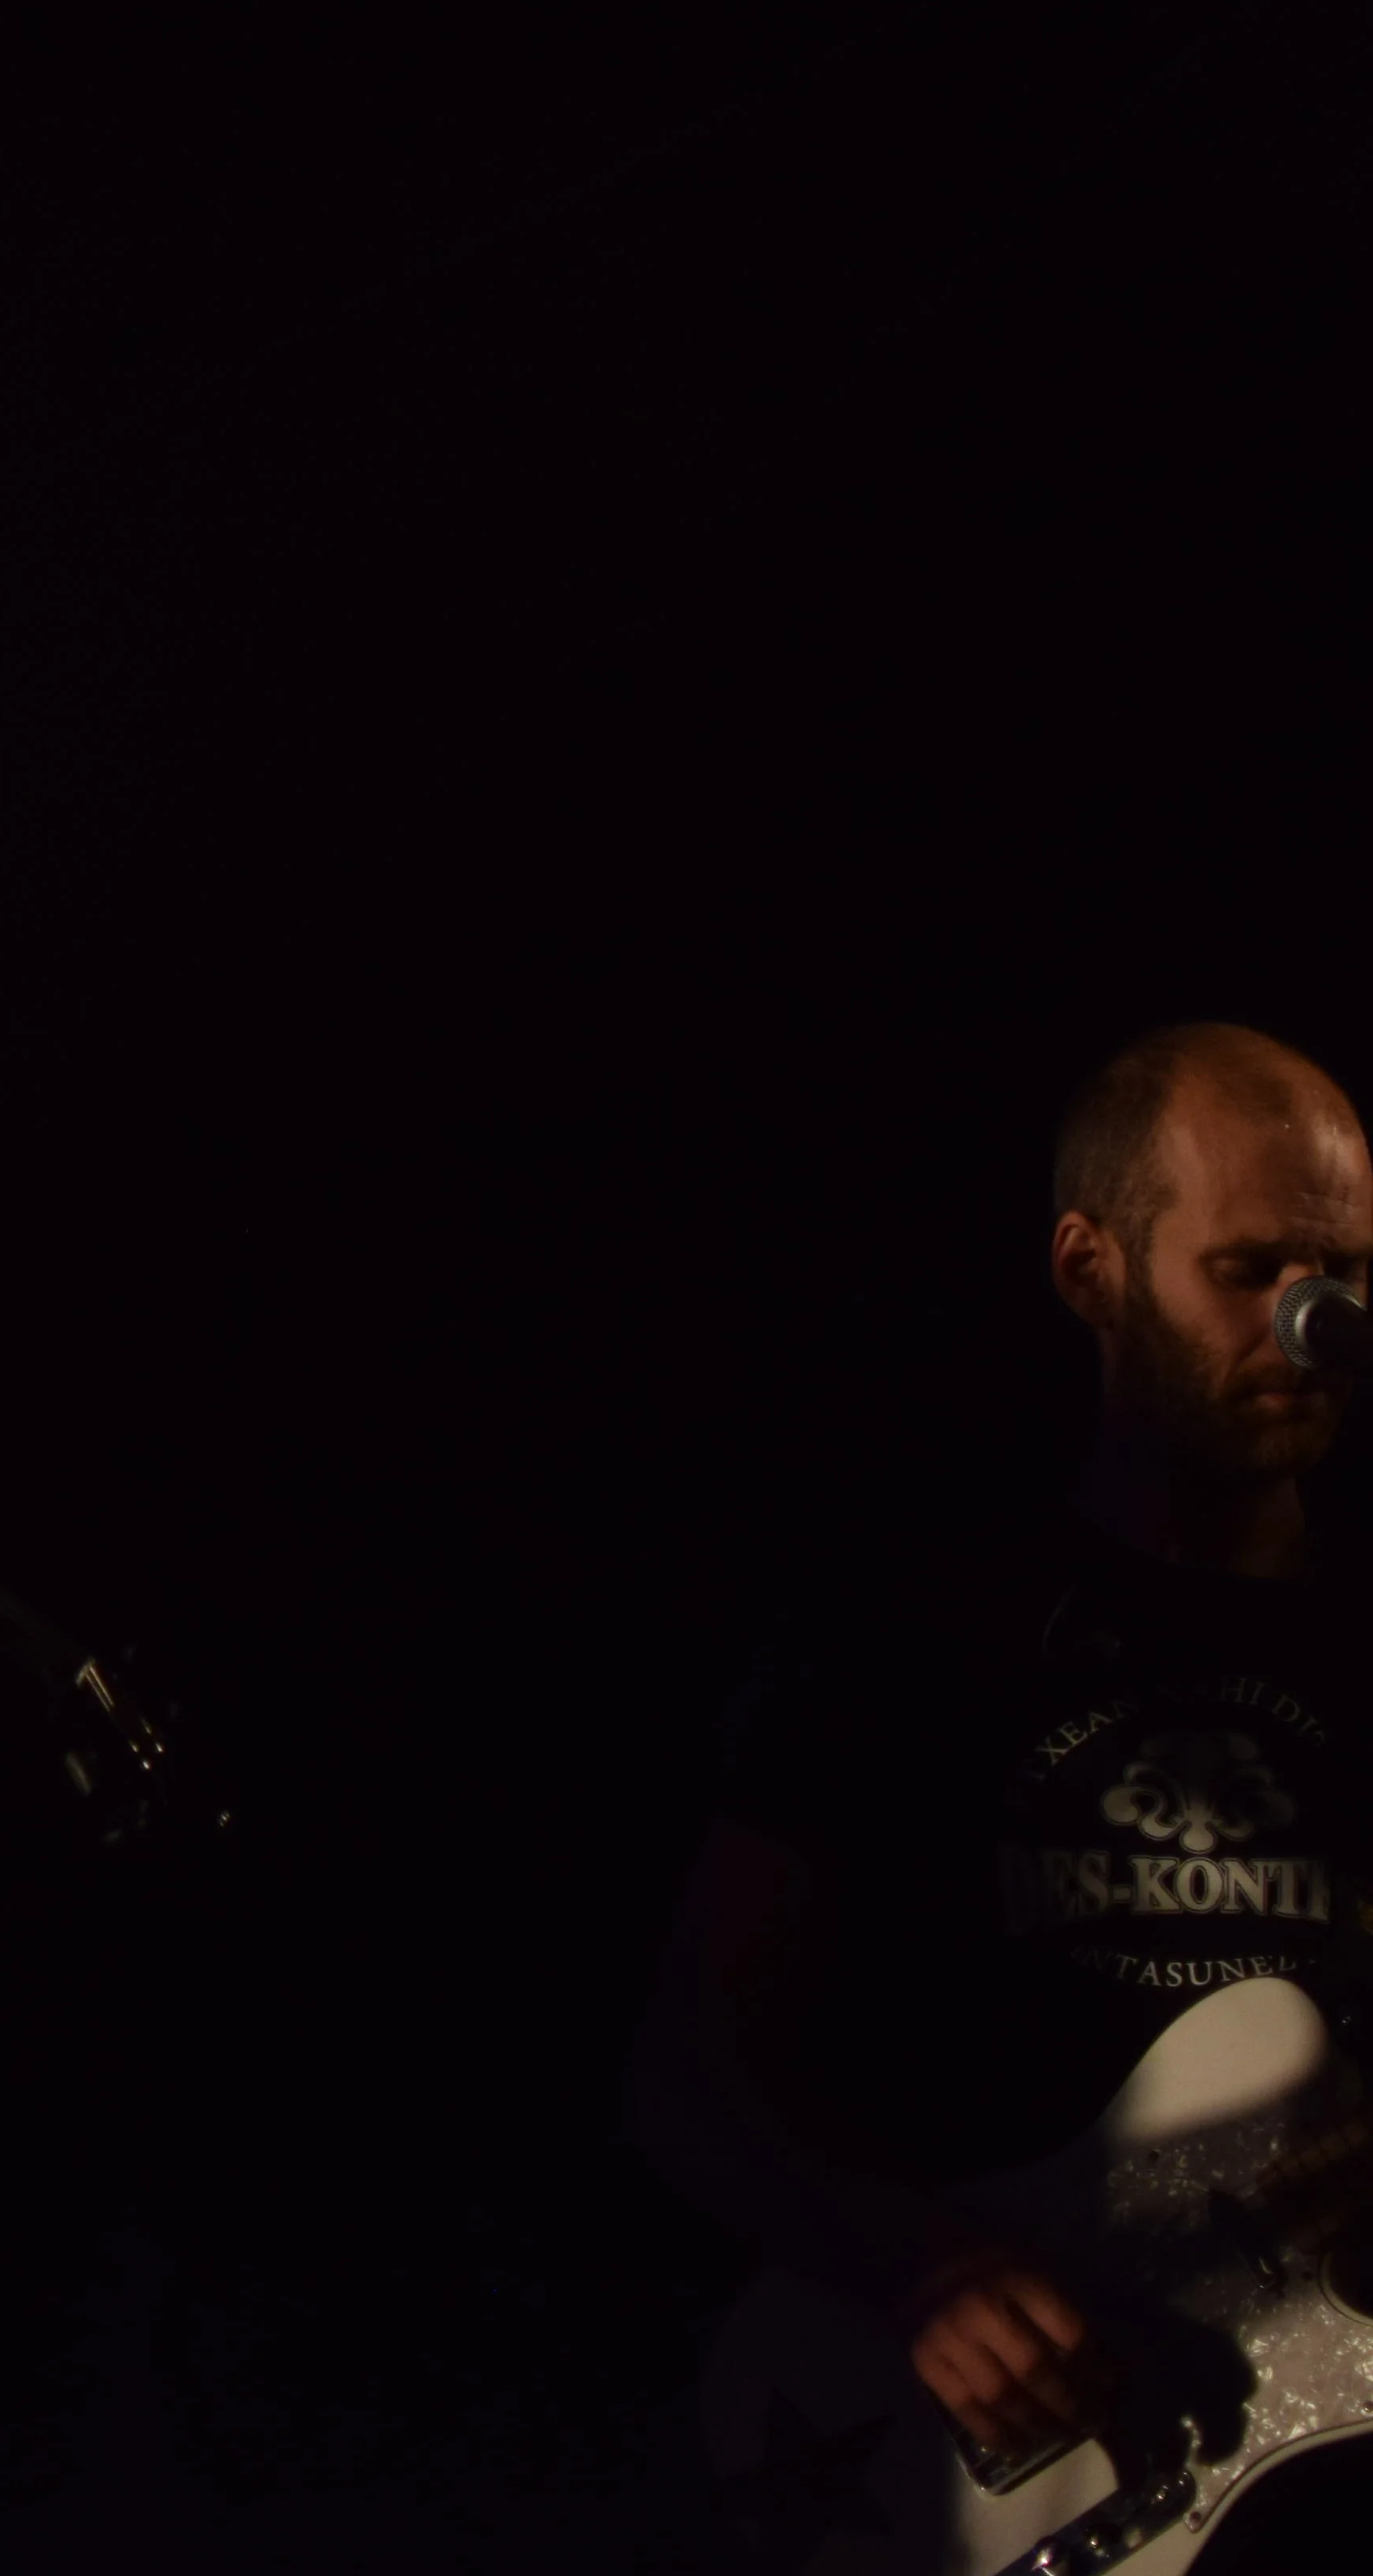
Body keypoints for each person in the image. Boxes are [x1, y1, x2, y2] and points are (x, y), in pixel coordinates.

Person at [636, 1020, 1373, 2559]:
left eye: (1346, 1274)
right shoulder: (912, 1632)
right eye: (1249, 1271)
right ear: (1091, 1269)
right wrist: (917, 2270)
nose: (1315, 1326)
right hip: (960, 2465)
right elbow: (688, 2074)